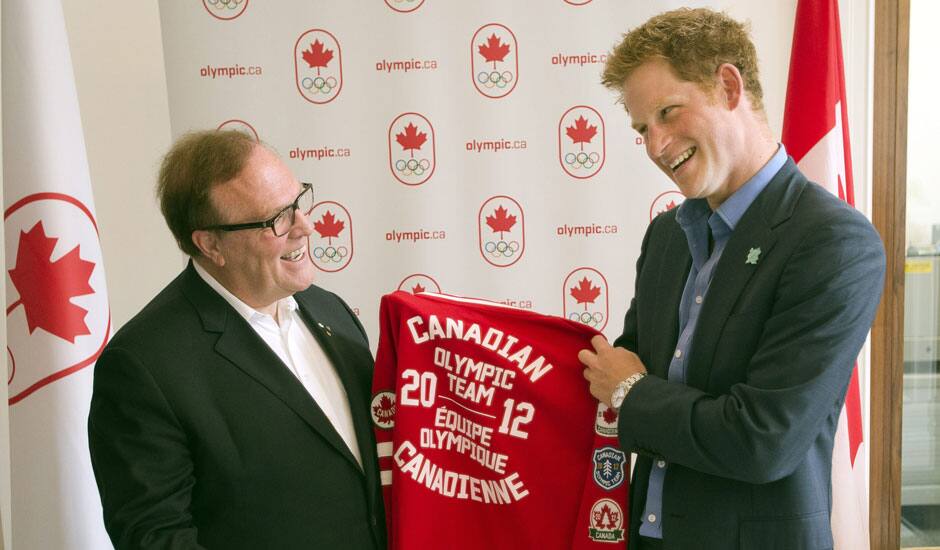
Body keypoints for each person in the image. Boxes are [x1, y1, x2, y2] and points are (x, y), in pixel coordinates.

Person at [578, 8, 885, 550]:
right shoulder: (667, 236)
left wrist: (630, 389)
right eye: (643, 128)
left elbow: (763, 439)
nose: (655, 145)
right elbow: (626, 363)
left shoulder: (833, 242)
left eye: (669, 112)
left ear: (727, 85)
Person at [88, 130, 386, 549]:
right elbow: (154, 537)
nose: (305, 226)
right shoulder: (144, 364)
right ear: (210, 244)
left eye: (298, 202)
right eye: (276, 219)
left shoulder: (332, 311)